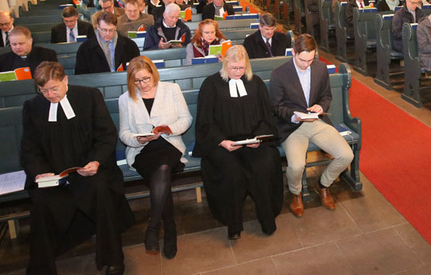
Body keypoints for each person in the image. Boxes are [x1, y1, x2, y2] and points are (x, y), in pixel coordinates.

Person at [21, 61, 133, 275]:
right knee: (42, 202)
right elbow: (29, 149)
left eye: (54, 88)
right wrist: (40, 172)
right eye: (43, 90)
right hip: (54, 176)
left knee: (101, 191)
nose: (50, 95)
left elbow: (106, 136)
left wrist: (96, 161)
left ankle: (113, 259)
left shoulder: (89, 97)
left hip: (89, 170)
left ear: (65, 80)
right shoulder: (33, 107)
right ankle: (42, 268)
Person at [194, 45, 283, 239]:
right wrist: (221, 141)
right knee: (231, 171)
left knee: (265, 163)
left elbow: (265, 116)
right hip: (224, 144)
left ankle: (267, 218)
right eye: (233, 68)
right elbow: (205, 120)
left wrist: (258, 138)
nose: (237, 72)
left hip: (252, 140)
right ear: (225, 64)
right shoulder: (211, 84)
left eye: (241, 68)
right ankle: (233, 223)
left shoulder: (256, 83)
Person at [269, 34, 354, 217]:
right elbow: (275, 106)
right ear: (293, 52)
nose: (306, 64)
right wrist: (293, 116)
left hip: (316, 122)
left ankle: (323, 185)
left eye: (310, 59)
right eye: (302, 60)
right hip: (292, 127)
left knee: (346, 155)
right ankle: (296, 192)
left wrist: (321, 106)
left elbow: (326, 96)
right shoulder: (279, 73)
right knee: (297, 166)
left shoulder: (320, 68)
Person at [118, 57, 192, 259]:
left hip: (169, 144)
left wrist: (168, 129)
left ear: (154, 74)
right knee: (162, 171)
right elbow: (123, 132)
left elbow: (186, 119)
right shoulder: (125, 99)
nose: (143, 84)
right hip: (143, 151)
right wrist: (138, 139)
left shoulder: (171, 90)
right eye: (137, 81)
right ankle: (169, 227)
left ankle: (154, 226)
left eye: (146, 79)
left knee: (162, 168)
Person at [75, 12, 140, 74]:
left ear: (115, 27)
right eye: (104, 30)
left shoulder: (130, 45)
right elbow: (81, 76)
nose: (107, 34)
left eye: (111, 30)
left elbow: (137, 70)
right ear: (97, 27)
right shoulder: (85, 48)